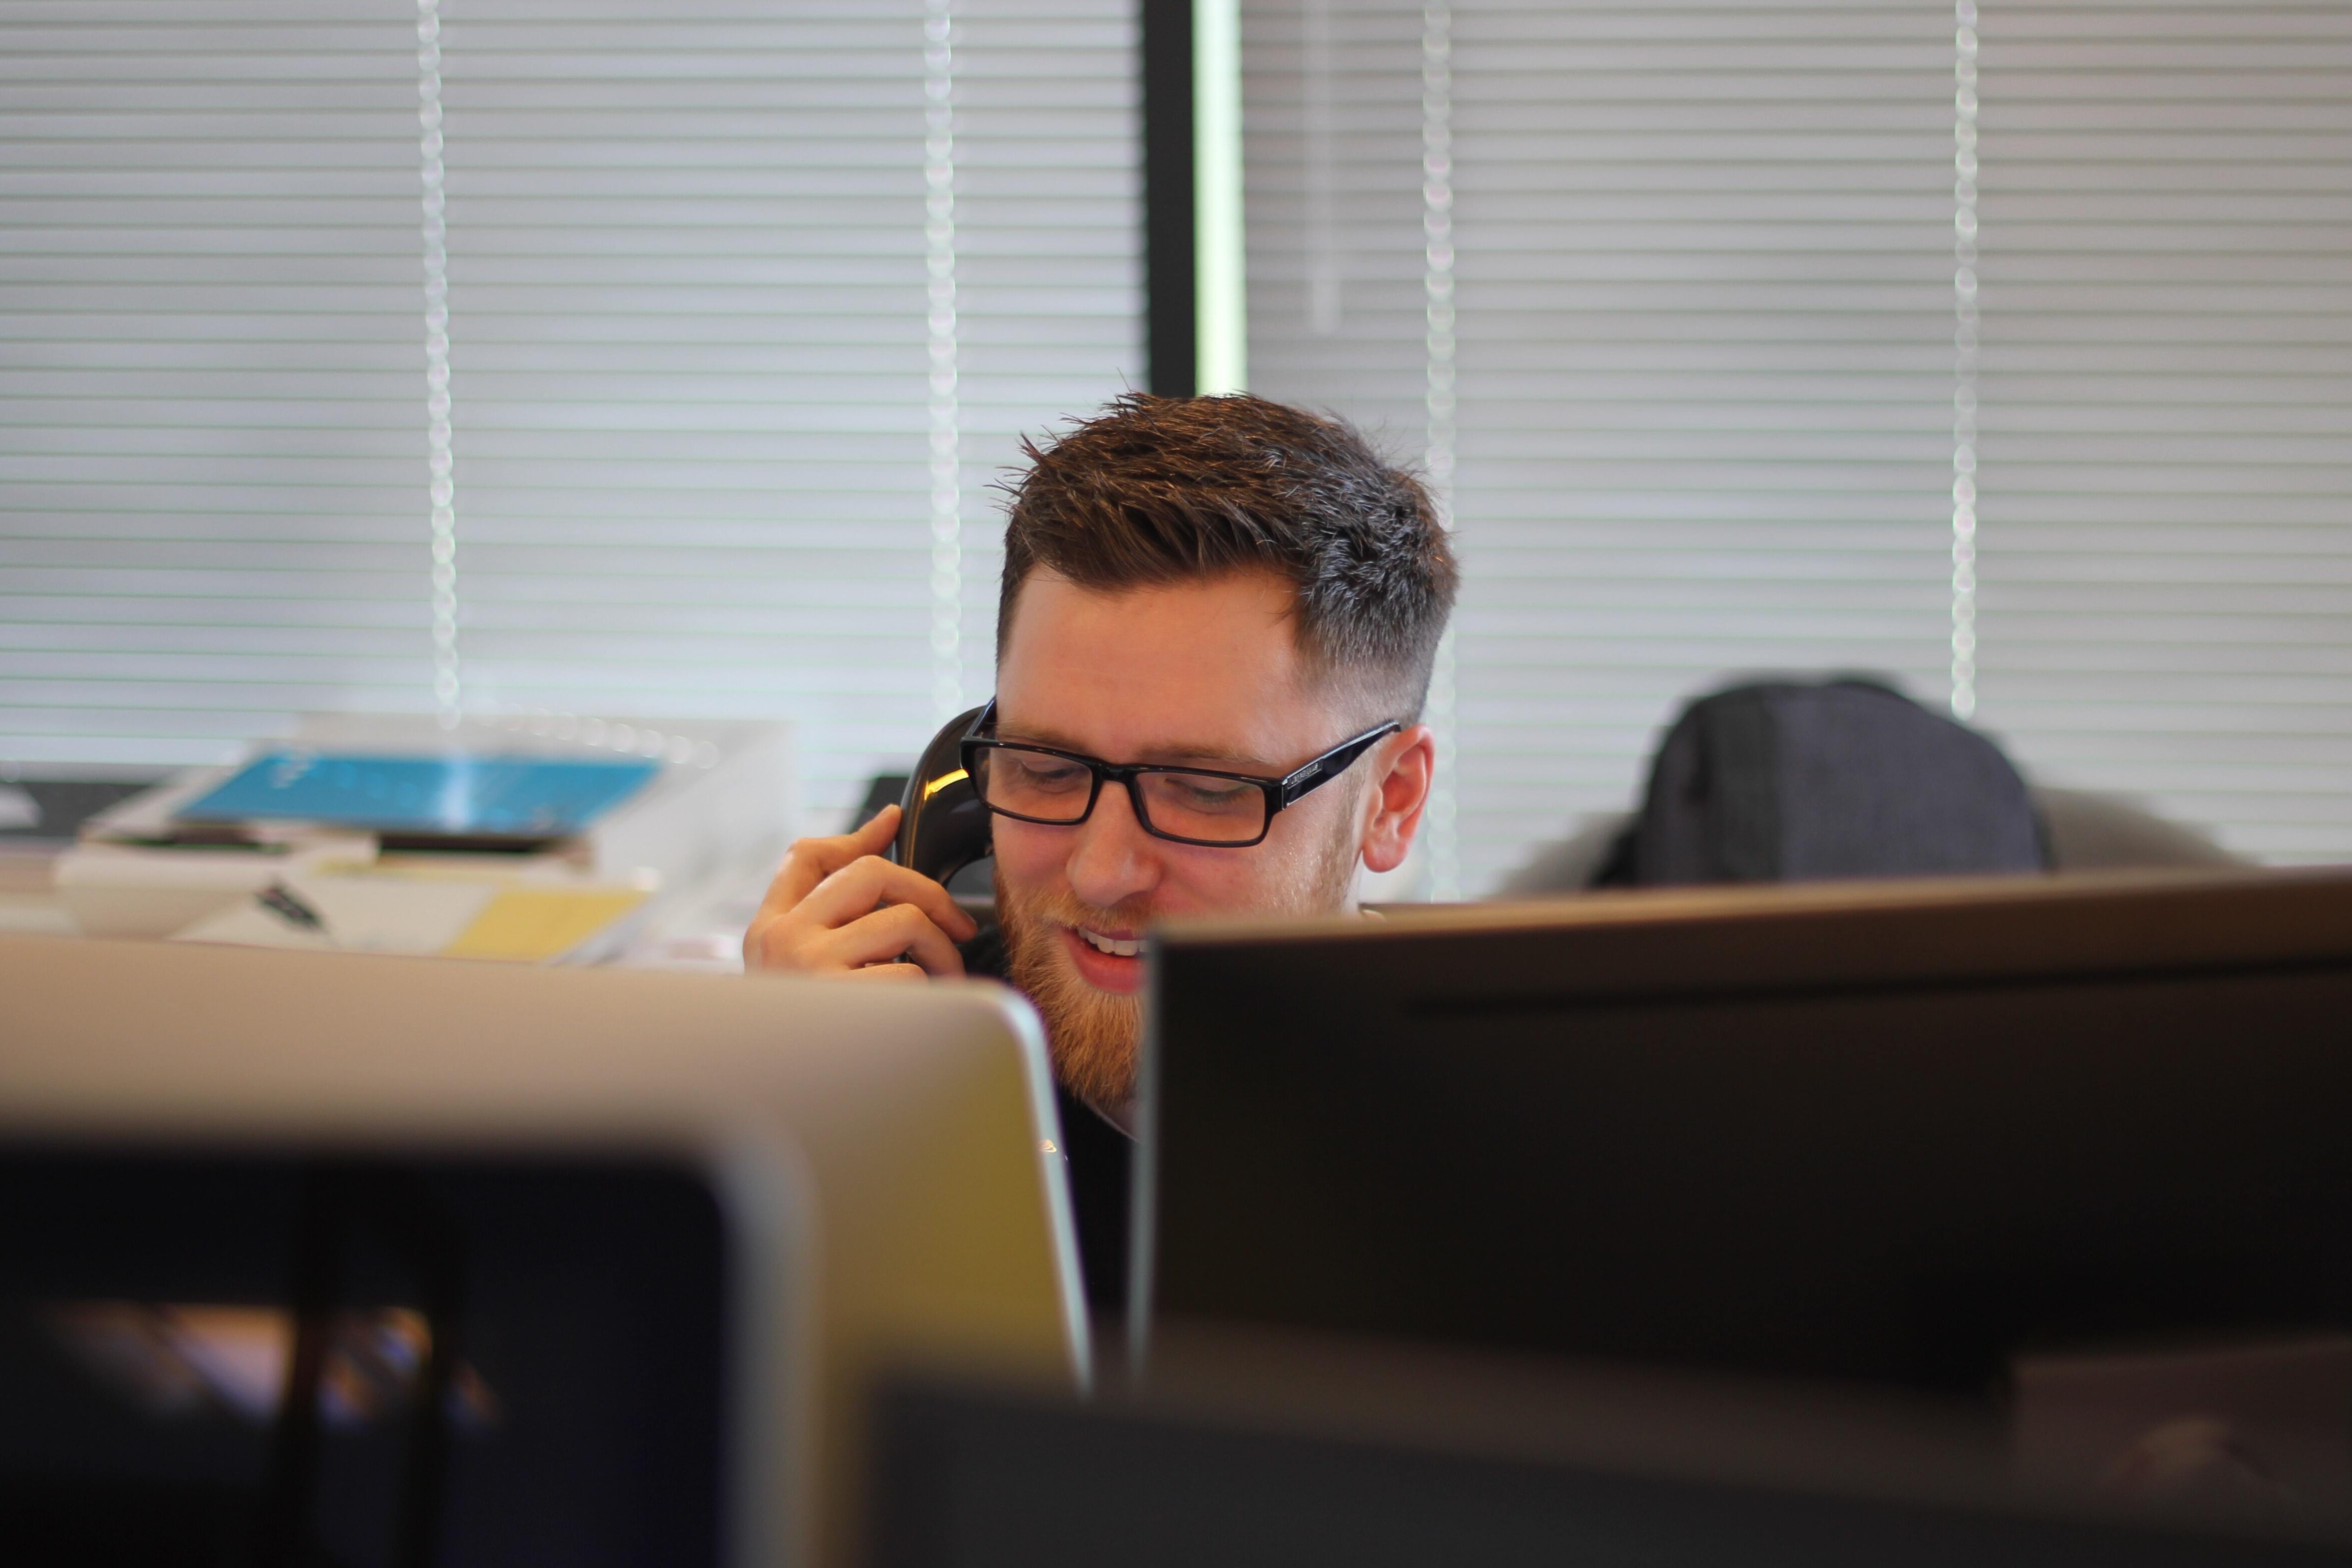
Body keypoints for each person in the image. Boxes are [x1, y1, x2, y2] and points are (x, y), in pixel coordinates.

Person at [744, 393, 1458, 1311]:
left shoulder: (1517, 1169)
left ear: (1390, 801)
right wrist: (772, 1118)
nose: (1100, 873)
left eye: (1204, 790)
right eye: (1043, 769)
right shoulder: (874, 1070)